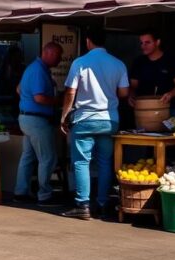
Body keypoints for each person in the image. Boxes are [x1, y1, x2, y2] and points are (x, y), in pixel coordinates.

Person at [60, 28, 129, 220]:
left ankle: (83, 205)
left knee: (82, 162)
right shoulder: (118, 64)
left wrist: (64, 116)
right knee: (105, 162)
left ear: (88, 41)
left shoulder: (80, 63)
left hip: (85, 120)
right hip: (109, 120)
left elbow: (70, 92)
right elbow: (124, 93)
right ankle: (103, 203)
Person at [13, 42, 63, 207]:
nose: (60, 59)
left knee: (28, 157)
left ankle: (21, 192)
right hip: (37, 120)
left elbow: (19, 89)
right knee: (48, 157)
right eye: (58, 55)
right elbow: (39, 98)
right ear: (48, 53)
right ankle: (45, 195)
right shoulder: (38, 70)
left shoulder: (33, 68)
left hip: (26, 118)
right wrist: (58, 101)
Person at [128, 29, 175, 113]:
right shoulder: (138, 62)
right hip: (144, 109)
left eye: (147, 42)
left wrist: (170, 94)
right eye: (141, 43)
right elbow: (133, 85)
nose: (143, 46)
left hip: (169, 108)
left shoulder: (172, 60)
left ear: (157, 42)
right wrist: (131, 95)